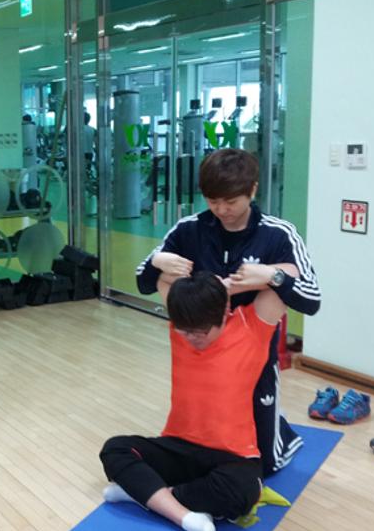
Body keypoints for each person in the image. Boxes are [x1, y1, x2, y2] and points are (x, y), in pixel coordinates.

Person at [136, 148, 320, 476]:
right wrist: (156, 260)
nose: (222, 210)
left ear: (253, 190)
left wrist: (271, 276)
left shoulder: (278, 233)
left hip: (252, 342)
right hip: (202, 341)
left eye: (231, 201)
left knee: (265, 464)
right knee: (201, 437)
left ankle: (279, 430)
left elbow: (312, 300)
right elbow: (144, 282)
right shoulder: (188, 229)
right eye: (212, 201)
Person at [100, 267, 295, 531]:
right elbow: (161, 277)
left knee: (242, 492)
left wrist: (226, 289)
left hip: (233, 456)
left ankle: (144, 495)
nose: (191, 337)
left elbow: (289, 284)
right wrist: (162, 260)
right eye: (185, 331)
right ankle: (186, 517)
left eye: (201, 332)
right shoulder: (182, 320)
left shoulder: (251, 327)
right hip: (178, 447)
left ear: (223, 313)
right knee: (115, 449)